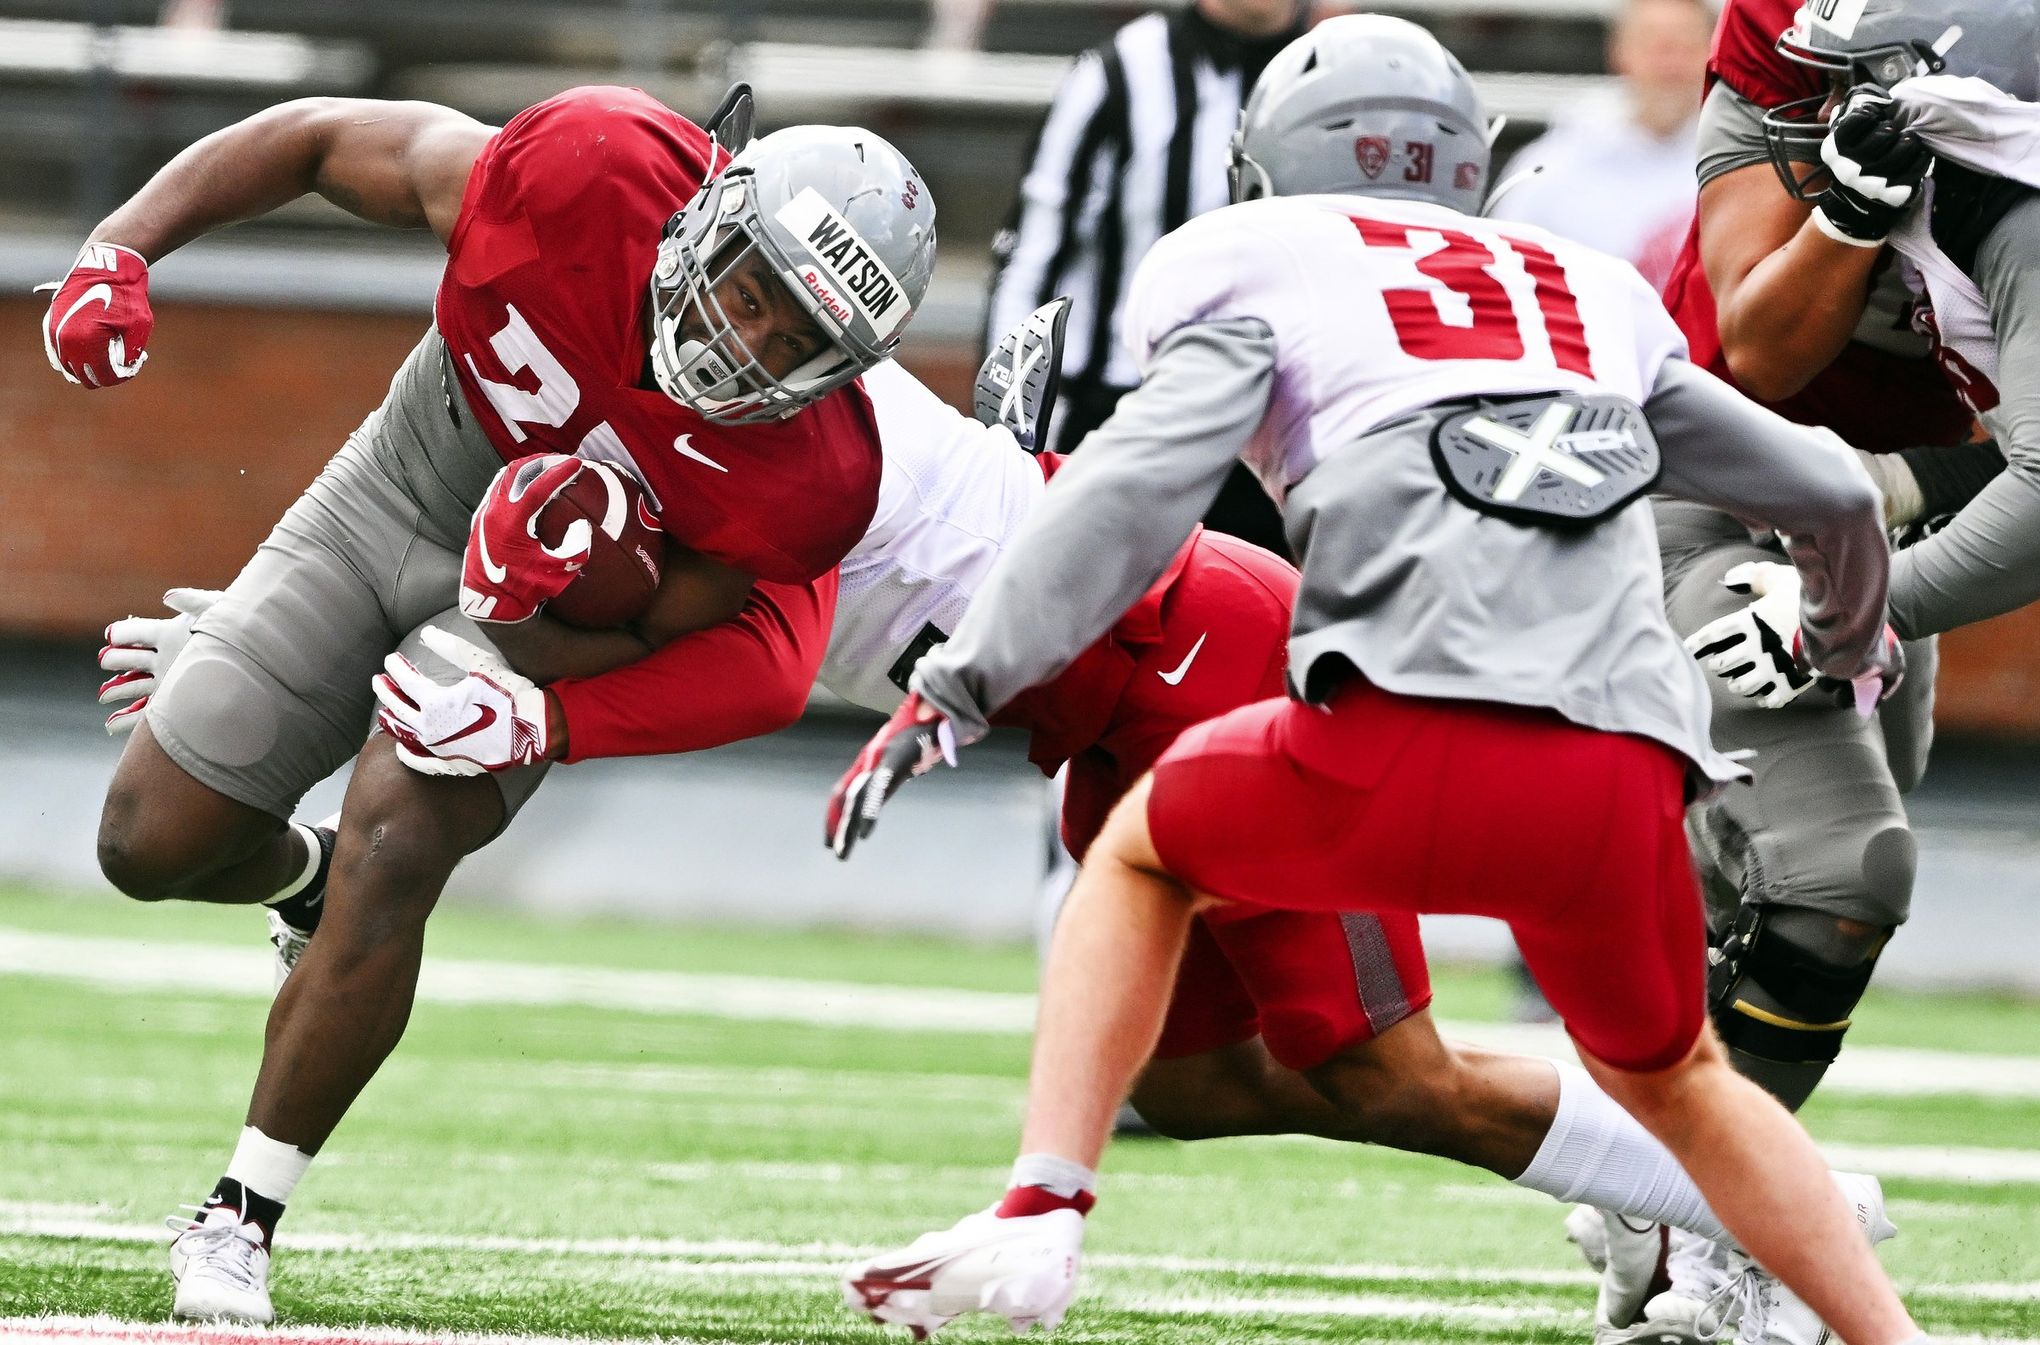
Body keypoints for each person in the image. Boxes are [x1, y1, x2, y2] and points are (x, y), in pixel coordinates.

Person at [110, 311, 1886, 1340]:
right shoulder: (684, 424)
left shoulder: (784, 462)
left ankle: (1762, 1197)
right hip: (1103, 712)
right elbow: (557, 591)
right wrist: (270, 651)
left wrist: (548, 712)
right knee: (1193, 1086)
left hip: (1213, 665)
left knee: (1375, 1064)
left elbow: (747, 649)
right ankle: (1658, 1178)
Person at [824, 15, 1927, 1345]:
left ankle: (1041, 1206)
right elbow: (1825, 490)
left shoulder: (1255, 255)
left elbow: (1130, 489)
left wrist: (958, 680)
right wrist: (1850, 643)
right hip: (1620, 778)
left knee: (1139, 855)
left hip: (1398, 734)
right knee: (1685, 1079)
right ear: (1467, 164)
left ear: (1271, 160)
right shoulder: (1592, 291)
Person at [41, 81, 935, 1323]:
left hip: (546, 610)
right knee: (149, 841)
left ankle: (240, 1214)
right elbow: (317, 142)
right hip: (403, 488)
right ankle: (303, 879)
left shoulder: (816, 473)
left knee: (398, 832)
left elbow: (726, 635)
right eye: (751, 293)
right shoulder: (587, 176)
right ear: (707, 220)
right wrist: (121, 246)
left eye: (798, 343)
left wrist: (537, 682)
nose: (753, 346)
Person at [1604, 1, 2040, 1338]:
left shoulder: (2006, 195)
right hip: (1721, 481)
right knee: (1838, 867)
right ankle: (1707, 1229)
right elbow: (1754, 351)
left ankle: (1651, 1192)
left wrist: (1870, 567)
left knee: (1808, 887)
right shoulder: (1794, 43)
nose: (1824, 87)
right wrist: (1846, 216)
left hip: (1882, 520)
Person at [983, 0, 1307, 553]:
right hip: (1124, 411)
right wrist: (1009, 436)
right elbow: (1034, 257)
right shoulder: (1121, 72)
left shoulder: (1333, 78)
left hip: (1278, 424)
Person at [1489, 0, 1712, 291]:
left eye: (1686, 44)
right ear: (1619, 51)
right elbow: (1501, 272)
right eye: (1654, 44)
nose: (1669, 64)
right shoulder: (1548, 167)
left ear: (1712, 53)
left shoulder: (1745, 166)